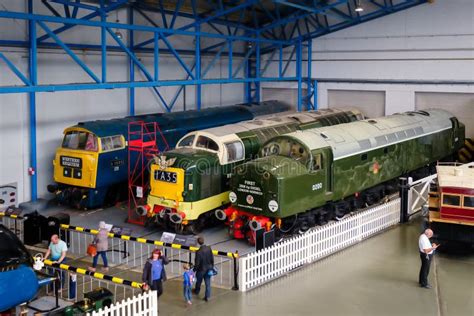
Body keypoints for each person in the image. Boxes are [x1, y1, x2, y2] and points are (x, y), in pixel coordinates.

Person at [193, 236, 214, 302]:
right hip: (208, 268)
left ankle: (197, 291)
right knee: (208, 283)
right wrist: (212, 266)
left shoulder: (198, 252)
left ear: (198, 243)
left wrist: (194, 270)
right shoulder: (209, 248)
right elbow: (212, 258)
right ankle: (207, 296)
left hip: (201, 270)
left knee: (198, 281)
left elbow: (197, 263)